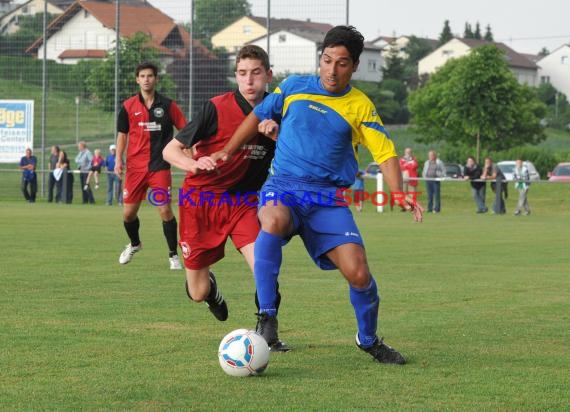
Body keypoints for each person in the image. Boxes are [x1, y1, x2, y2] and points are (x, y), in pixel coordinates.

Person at [210, 26, 423, 364]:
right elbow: (258, 114)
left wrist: (398, 192)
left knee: (359, 273)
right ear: (319, 59)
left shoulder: (360, 106)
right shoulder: (294, 86)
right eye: (326, 60)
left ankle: (368, 340)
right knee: (274, 220)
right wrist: (227, 150)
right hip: (284, 187)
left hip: (327, 199)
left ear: (353, 67)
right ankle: (267, 316)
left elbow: (385, 153)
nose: (332, 70)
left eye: (341, 64)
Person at [162, 45, 289, 351]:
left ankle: (267, 331)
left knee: (265, 264)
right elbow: (169, 150)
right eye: (243, 74)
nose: (249, 81)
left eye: (256, 73)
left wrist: (278, 136)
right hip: (200, 202)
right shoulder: (216, 108)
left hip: (243, 202)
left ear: (268, 75)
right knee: (197, 291)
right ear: (235, 76)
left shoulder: (280, 113)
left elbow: (297, 156)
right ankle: (211, 293)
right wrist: (194, 164)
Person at [115, 61, 187, 270]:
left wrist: (192, 156)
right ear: (137, 79)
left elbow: (185, 131)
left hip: (160, 167)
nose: (146, 79)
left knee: (165, 211)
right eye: (142, 76)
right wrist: (119, 159)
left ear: (155, 79)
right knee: (128, 214)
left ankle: (173, 255)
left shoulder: (168, 105)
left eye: (150, 76)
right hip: (135, 169)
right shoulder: (128, 106)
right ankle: (135, 244)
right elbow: (122, 135)